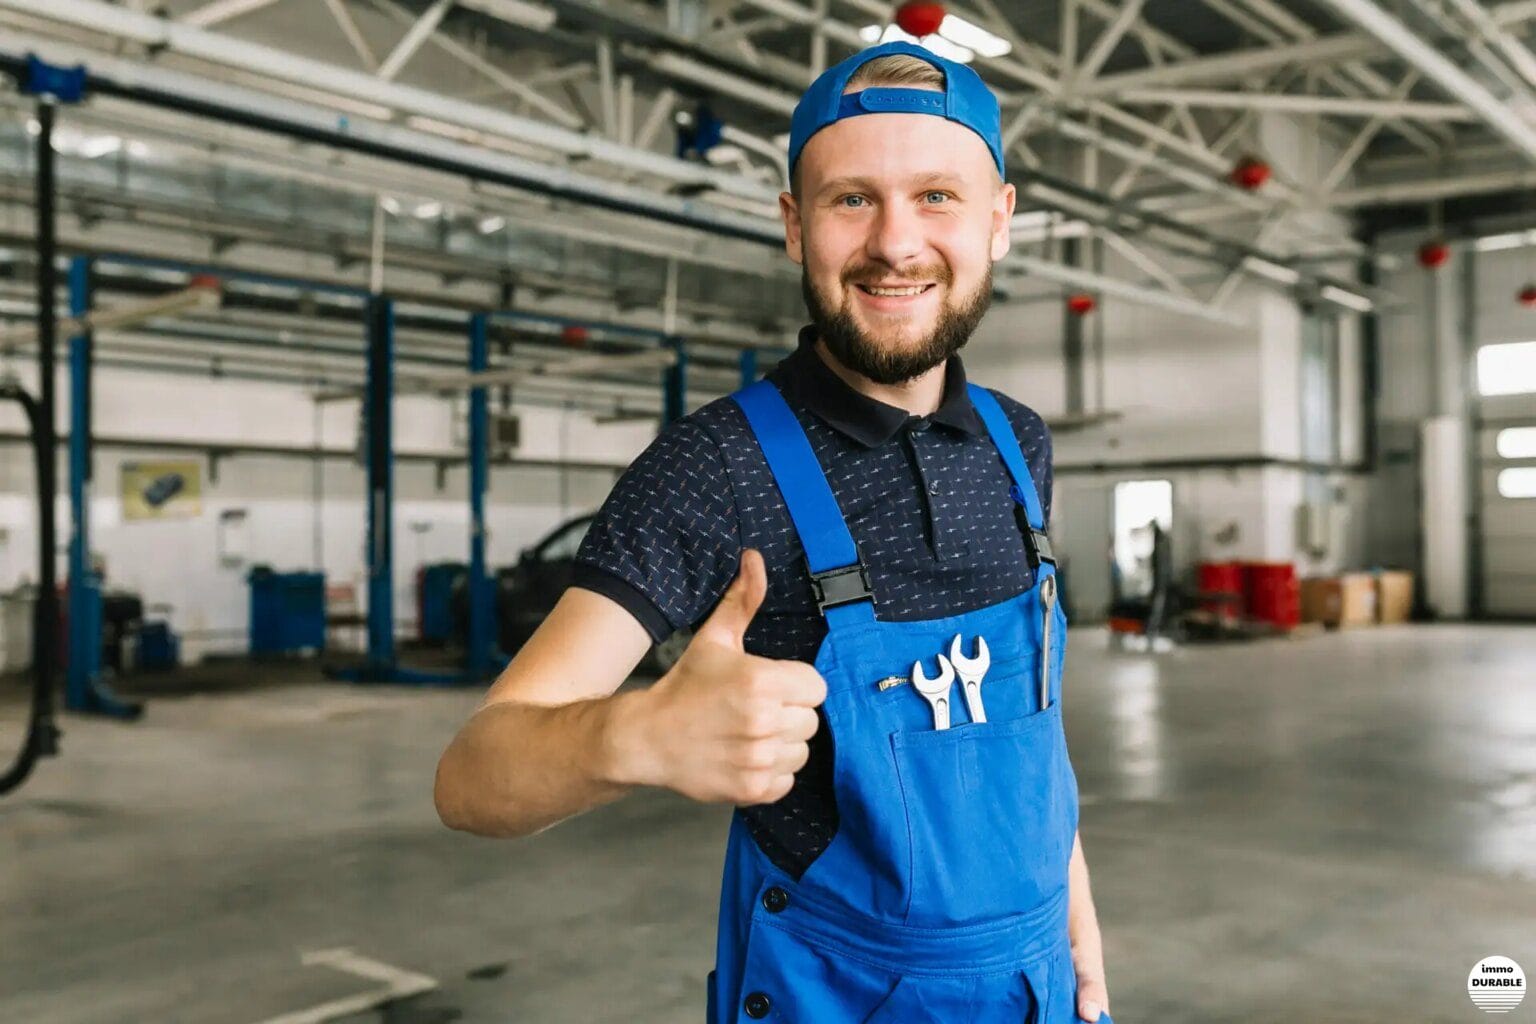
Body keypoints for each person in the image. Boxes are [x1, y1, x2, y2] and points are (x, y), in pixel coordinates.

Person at [435, 39, 1113, 1023]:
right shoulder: (715, 469)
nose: (894, 243)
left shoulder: (1020, 445)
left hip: (1036, 980)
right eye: (852, 200)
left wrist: (1074, 927)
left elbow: (1032, 738)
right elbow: (472, 774)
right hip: (837, 994)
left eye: (936, 196)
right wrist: (632, 733)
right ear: (795, 226)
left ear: (998, 220)